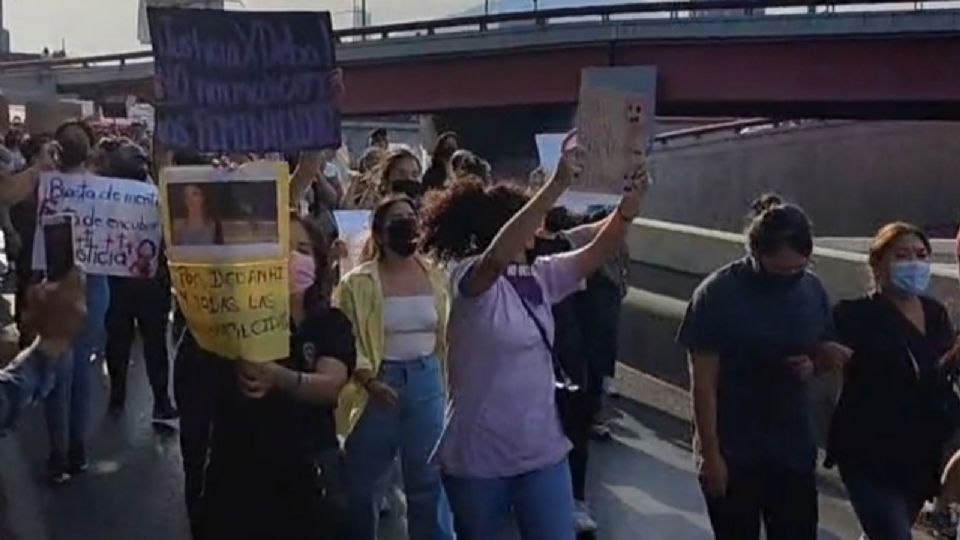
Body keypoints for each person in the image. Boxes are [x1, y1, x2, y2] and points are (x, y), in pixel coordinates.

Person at [419, 150, 646, 540]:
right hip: (478, 458)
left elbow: (594, 253)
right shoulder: (468, 279)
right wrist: (555, 186)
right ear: (507, 228)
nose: (539, 229)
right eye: (529, 222)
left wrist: (627, 211)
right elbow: (493, 261)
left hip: (542, 453)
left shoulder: (540, 276)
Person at [677, 194, 852, 540]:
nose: (788, 278)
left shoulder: (812, 289)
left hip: (792, 446)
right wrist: (710, 454)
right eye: (778, 270)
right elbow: (703, 383)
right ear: (755, 254)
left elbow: (818, 347)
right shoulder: (718, 294)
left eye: (796, 270)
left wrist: (816, 363)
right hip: (735, 446)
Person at [198, 212, 355, 540]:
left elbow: (329, 387)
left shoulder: (330, 323)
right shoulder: (227, 320)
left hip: (308, 476)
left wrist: (278, 377)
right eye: (280, 248)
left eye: (302, 248)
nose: (291, 258)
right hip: (237, 477)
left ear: (318, 261)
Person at [828, 222, 960, 540]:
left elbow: (940, 372)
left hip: (918, 455)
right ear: (878, 263)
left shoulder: (936, 314)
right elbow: (823, 358)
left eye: (921, 255)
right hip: (868, 454)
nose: (914, 264)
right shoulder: (854, 315)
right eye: (902, 256)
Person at [335, 196, 454, 540]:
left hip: (427, 382)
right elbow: (348, 338)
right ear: (379, 234)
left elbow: (447, 332)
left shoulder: (436, 275)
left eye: (410, 217)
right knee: (364, 484)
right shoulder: (357, 283)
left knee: (428, 483)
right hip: (376, 386)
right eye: (397, 220)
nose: (407, 224)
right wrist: (369, 380)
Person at [41, 121, 112, 483]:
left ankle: (57, 454)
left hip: (56, 285)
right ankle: (78, 450)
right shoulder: (105, 191)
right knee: (83, 370)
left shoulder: (45, 188)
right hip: (94, 285)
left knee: (57, 369)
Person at [98, 138, 178, 422]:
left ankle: (122, 399)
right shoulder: (155, 194)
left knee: (122, 343)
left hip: (126, 282)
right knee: (151, 344)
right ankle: (158, 401)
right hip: (145, 282)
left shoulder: (106, 195)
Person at [343, 148, 424, 209]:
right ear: (387, 176)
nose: (408, 178)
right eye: (401, 173)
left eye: (414, 175)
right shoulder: (372, 204)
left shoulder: (423, 208)